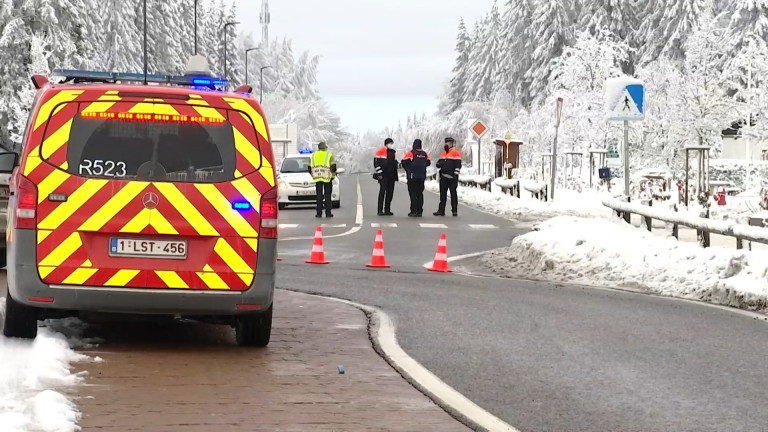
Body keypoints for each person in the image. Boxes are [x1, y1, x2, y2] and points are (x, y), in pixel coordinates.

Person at [401, 139, 431, 217]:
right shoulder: (425, 154)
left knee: (413, 194)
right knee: (420, 194)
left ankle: (413, 211)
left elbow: (403, 162)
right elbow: (428, 163)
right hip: (421, 177)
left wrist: (408, 169)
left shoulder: (410, 153)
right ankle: (420, 211)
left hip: (412, 177)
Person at [434, 137, 462, 217]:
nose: (447, 144)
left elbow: (458, 165)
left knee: (453, 194)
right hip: (443, 177)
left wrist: (455, 175)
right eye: (446, 143)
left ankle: (454, 210)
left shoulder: (455, 153)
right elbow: (439, 163)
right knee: (443, 195)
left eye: (449, 143)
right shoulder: (443, 153)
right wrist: (439, 164)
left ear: (452, 144)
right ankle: (441, 210)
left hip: (452, 178)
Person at [308, 142, 336, 218]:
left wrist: (314, 175)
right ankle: (328, 213)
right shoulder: (329, 154)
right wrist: (333, 176)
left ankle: (319, 213)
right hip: (327, 177)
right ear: (325, 148)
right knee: (327, 195)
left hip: (317, 177)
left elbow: (309, 168)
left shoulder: (313, 155)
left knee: (319, 196)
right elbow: (333, 167)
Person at [373, 138, 398, 216]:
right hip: (383, 175)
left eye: (392, 143)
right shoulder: (380, 151)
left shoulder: (393, 152)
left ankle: (387, 209)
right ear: (386, 144)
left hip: (392, 175)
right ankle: (380, 210)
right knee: (382, 192)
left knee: (390, 193)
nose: (391, 144)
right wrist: (379, 173)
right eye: (390, 143)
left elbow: (395, 162)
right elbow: (376, 163)